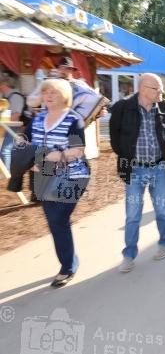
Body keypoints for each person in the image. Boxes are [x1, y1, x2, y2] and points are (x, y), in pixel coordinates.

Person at [109, 73, 165, 273]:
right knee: (133, 215)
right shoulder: (123, 107)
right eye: (157, 89)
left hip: (160, 167)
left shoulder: (164, 107)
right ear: (144, 89)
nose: (161, 92)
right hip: (135, 169)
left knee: (162, 210)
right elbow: (115, 139)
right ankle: (129, 255)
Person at [25, 78, 88, 287]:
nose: (49, 95)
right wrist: (30, 161)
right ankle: (71, 259)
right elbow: (27, 146)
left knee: (58, 219)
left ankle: (67, 267)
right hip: (44, 177)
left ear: (65, 97)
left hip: (71, 176)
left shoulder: (73, 119)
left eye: (54, 92)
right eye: (46, 92)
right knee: (56, 222)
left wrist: (50, 155)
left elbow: (77, 150)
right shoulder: (37, 119)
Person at [0, 74, 26, 170]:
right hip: (5, 128)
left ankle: (6, 175)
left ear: (2, 84)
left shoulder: (15, 96)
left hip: (15, 128)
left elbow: (15, 116)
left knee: (5, 150)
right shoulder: (5, 97)